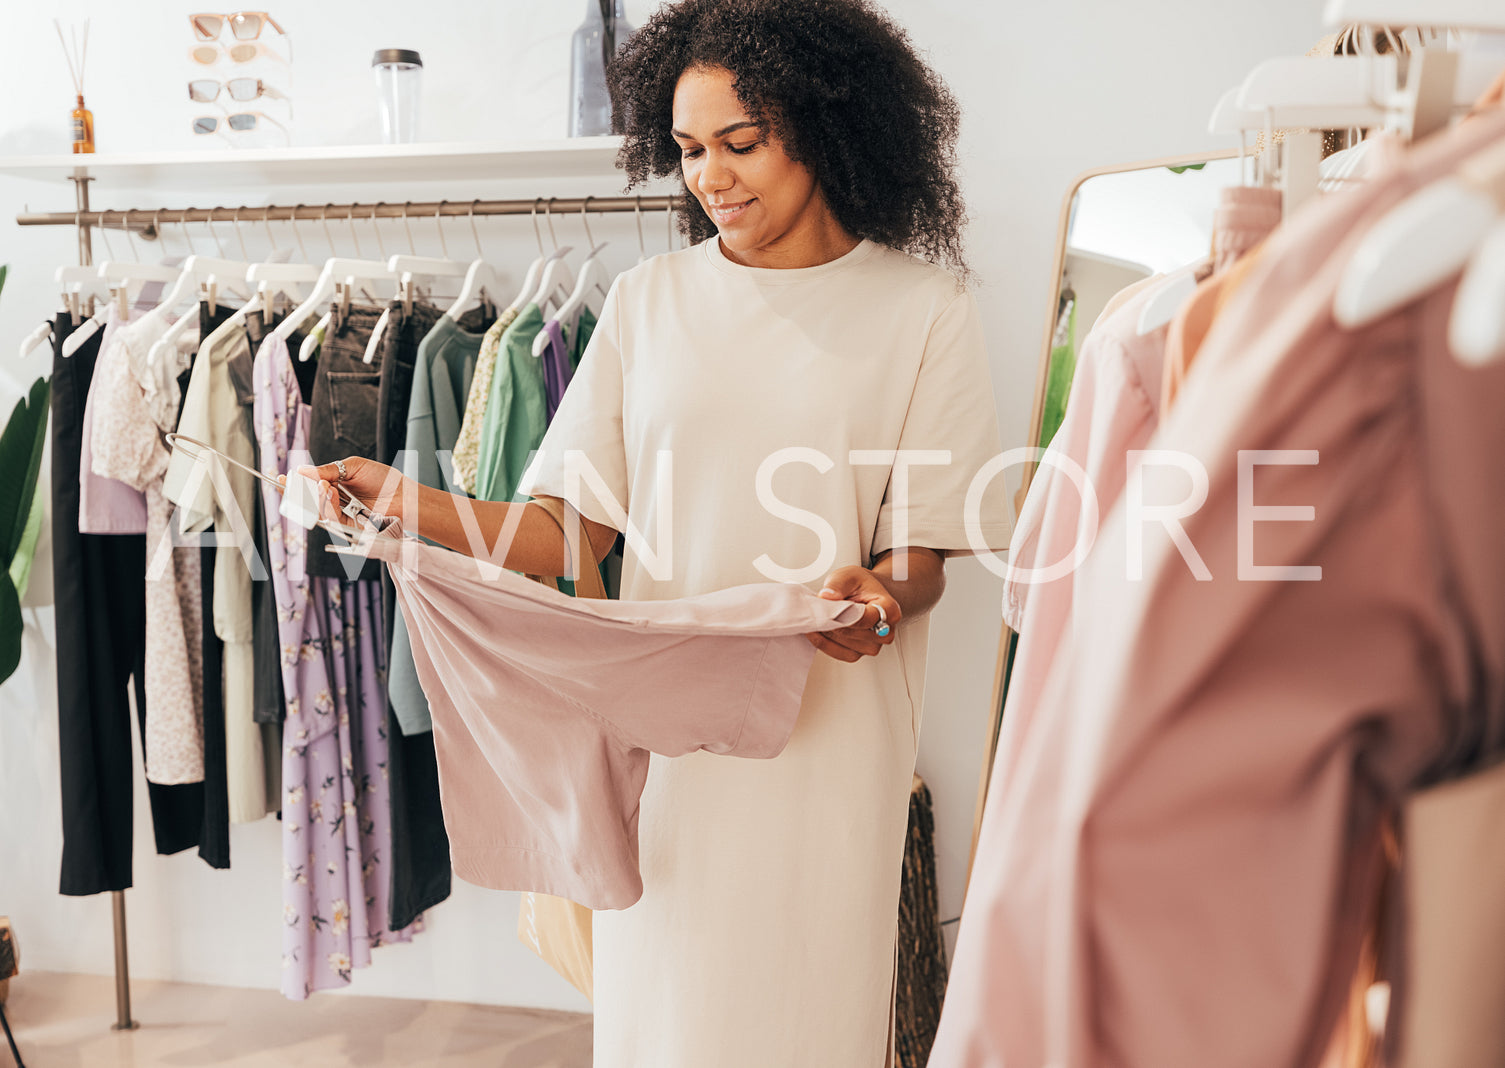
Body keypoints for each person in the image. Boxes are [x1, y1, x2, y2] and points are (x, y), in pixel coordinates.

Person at [300, 0, 1009, 1063]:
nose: (709, 177)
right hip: (667, 740)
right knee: (665, 1023)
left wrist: (880, 596)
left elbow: (922, 555)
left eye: (740, 142)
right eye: (686, 149)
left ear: (824, 126)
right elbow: (566, 533)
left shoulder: (920, 312)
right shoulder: (646, 301)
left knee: (811, 1017)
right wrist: (406, 501)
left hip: (829, 743)